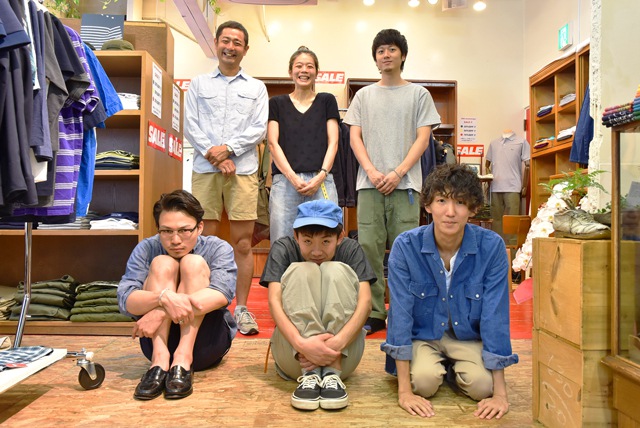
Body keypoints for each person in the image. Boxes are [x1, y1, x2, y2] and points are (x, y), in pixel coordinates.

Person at [381, 164, 519, 420]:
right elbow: (400, 315)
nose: (450, 212)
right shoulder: (406, 247)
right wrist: (404, 392)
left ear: (473, 208)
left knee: (482, 387)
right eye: (442, 201)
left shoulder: (492, 248)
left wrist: (500, 394)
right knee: (423, 383)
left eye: (461, 202)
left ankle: (455, 370)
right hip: (423, 336)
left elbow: (495, 316)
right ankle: (436, 368)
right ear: (428, 205)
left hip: (467, 337)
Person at [343, 28, 441, 335]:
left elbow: (423, 139)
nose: (386, 55)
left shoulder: (419, 95)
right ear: (375, 58)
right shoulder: (363, 96)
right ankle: (373, 312)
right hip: (368, 184)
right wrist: (371, 171)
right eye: (380, 50)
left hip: (406, 185)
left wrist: (398, 172)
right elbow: (354, 137)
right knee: (369, 248)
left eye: (392, 49)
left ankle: (403, 311)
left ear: (403, 55)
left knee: (406, 251)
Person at [184, 20, 268, 336]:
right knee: (203, 240)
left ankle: (242, 308)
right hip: (206, 169)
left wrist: (229, 149)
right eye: (225, 40)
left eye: (237, 42)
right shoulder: (198, 84)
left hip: (242, 171)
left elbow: (259, 128)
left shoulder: (256, 88)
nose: (230, 47)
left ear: (245, 49)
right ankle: (207, 306)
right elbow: (190, 124)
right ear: (216, 43)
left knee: (243, 243)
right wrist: (215, 155)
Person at [117, 190, 237, 400]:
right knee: (162, 263)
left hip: (206, 343)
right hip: (156, 344)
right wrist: (163, 298)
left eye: (184, 230)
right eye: (166, 231)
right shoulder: (147, 248)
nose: (175, 240)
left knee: (193, 263)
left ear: (200, 227)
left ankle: (183, 357)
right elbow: (126, 299)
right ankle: (160, 360)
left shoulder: (218, 247)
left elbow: (221, 294)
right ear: (158, 229)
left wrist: (160, 312)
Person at [260, 200, 375, 411]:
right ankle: (310, 375)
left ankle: (330, 374)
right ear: (296, 236)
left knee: (335, 269)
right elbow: (273, 301)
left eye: (325, 241)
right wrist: (303, 346)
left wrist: (335, 346)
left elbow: (366, 303)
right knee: (302, 270)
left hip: (341, 358)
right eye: (307, 241)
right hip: (296, 358)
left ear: (340, 237)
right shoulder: (283, 248)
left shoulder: (351, 249)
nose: (316, 251)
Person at [267, 46, 340, 241]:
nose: (304, 70)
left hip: (321, 180)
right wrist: (292, 177)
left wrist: (321, 176)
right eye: (299, 66)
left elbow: (333, 142)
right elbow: (273, 144)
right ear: (290, 71)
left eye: (309, 66)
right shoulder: (276, 103)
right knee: (282, 242)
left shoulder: (327, 101)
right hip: (285, 182)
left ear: (317, 72)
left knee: (326, 239)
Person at [484, 129, 530, 243]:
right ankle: (497, 246)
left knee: (513, 220)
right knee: (496, 220)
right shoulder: (494, 143)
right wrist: (489, 182)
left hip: (513, 187)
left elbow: (528, 166)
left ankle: (513, 249)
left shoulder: (521, 142)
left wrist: (525, 185)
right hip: (495, 187)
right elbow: (487, 164)